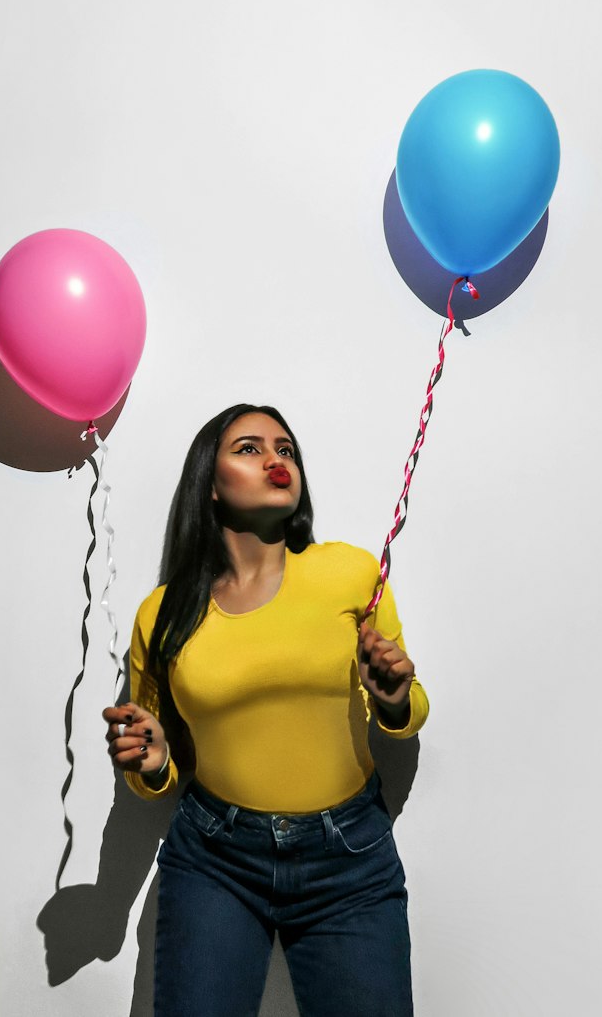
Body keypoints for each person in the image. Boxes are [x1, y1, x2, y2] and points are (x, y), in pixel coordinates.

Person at [102, 403, 428, 1016]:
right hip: (214, 861)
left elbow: (408, 707)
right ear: (211, 484)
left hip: (350, 863)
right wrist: (151, 764)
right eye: (250, 448)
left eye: (286, 449)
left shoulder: (352, 572)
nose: (276, 459)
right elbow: (157, 771)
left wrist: (393, 699)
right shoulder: (163, 613)